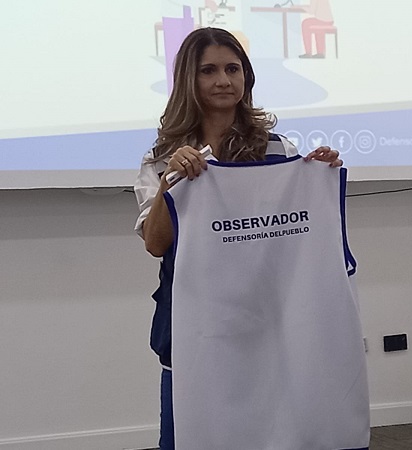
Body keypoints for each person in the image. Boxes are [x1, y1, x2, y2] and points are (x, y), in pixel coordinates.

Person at [133, 27, 341, 450]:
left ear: (246, 77)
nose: (223, 80)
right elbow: (156, 243)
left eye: (233, 69)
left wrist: (318, 175)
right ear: (189, 80)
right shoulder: (162, 157)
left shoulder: (278, 149)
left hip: (266, 319)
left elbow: (298, 235)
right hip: (193, 322)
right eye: (208, 70)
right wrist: (170, 183)